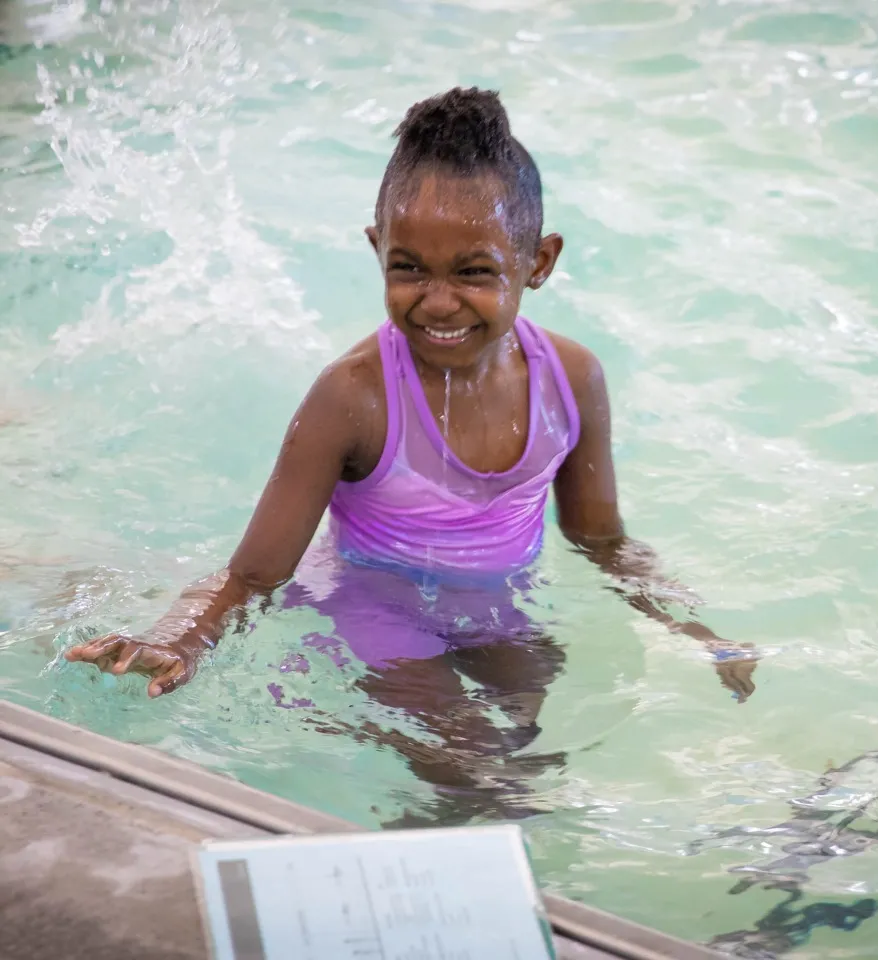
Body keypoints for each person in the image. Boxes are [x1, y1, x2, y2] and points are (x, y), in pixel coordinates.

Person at [66, 87, 757, 810]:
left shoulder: (571, 379)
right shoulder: (352, 398)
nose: (436, 301)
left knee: (527, 756)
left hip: (497, 608)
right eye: (408, 268)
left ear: (538, 261)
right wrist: (182, 638)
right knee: (475, 771)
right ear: (376, 249)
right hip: (373, 605)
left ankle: (421, 855)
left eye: (473, 271)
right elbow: (252, 576)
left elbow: (602, 539)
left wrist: (699, 630)